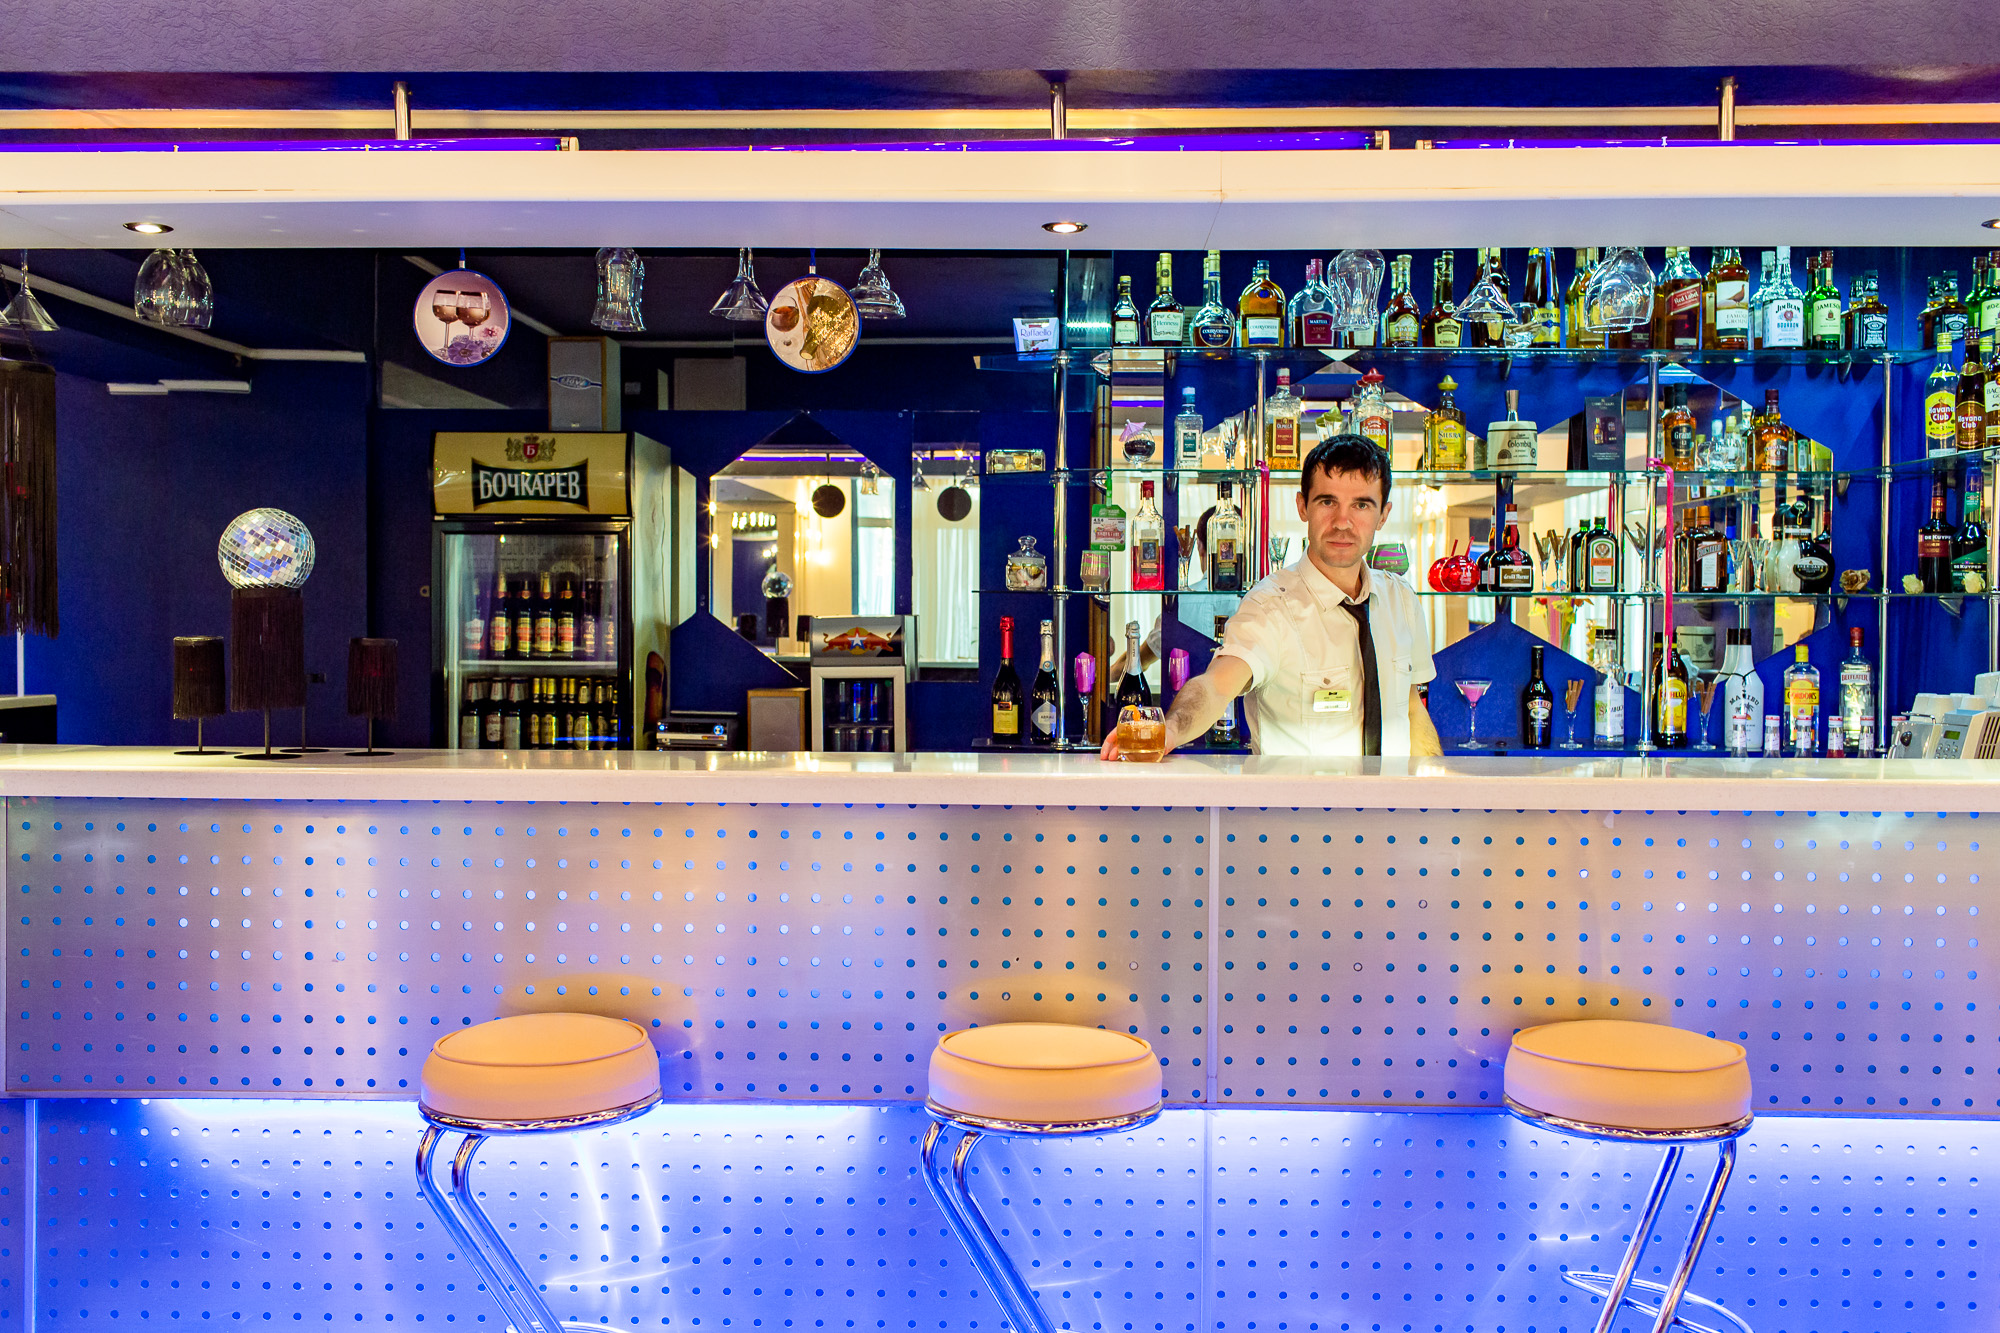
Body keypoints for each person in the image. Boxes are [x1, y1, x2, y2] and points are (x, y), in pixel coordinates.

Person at [1100, 434, 1442, 759]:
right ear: (1302, 506)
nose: (1342, 522)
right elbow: (1216, 686)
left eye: (1361, 505)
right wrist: (1172, 729)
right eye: (1327, 502)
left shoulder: (1401, 599)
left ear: (1383, 515)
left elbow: (1411, 708)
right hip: (1298, 803)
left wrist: (1436, 786)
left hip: (1394, 801)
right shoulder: (1269, 607)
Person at [1106, 505, 1237, 681]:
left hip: (1185, 696)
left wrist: (1097, 678)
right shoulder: (1255, 601)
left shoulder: (1180, 603)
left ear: (1198, 545)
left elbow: (1136, 662)